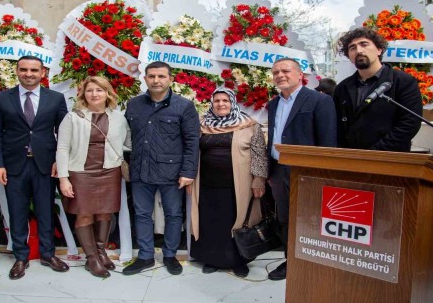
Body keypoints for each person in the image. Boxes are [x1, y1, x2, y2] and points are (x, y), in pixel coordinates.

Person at [0, 55, 69, 280]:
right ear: (17, 71)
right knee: (17, 211)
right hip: (14, 164)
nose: (29, 74)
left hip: (45, 164)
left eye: (34, 70)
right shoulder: (2, 98)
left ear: (43, 73)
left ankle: (47, 254)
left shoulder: (56, 98)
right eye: (24, 70)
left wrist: (59, 162)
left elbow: (64, 133)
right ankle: (21, 256)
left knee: (46, 210)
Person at [122, 61, 200, 276]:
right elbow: (126, 136)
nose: (156, 80)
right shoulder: (134, 104)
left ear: (170, 79)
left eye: (161, 76)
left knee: (174, 214)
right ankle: (145, 256)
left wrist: (188, 172)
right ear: (145, 78)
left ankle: (169, 255)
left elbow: (192, 141)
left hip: (172, 172)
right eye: (152, 76)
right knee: (142, 214)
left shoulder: (184, 106)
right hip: (140, 170)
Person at [267, 57, 337, 280]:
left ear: (300, 75)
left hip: (307, 174)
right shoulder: (274, 104)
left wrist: (322, 177)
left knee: (310, 220)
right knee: (285, 219)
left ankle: (313, 263)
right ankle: (291, 261)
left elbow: (327, 143)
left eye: (285, 71)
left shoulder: (318, 101)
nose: (280, 75)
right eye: (276, 72)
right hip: (279, 171)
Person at [56, 76, 131, 278]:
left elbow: (128, 142)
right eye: (89, 90)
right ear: (83, 94)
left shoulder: (119, 117)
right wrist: (63, 178)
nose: (94, 94)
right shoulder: (72, 118)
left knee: (105, 213)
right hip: (81, 172)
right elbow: (62, 148)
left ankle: (101, 251)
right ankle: (91, 258)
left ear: (108, 93)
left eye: (99, 90)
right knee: (85, 213)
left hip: (109, 171)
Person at [190, 87, 268, 278]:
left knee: (238, 222)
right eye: (217, 101)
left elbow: (259, 154)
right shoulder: (201, 124)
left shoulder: (249, 125)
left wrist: (259, 179)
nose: (221, 104)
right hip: (207, 184)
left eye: (225, 100)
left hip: (238, 185)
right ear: (211, 103)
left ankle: (239, 261)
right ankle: (212, 260)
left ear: (232, 103)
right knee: (210, 222)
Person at [333, 27, 422, 152]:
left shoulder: (403, 82)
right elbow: (338, 127)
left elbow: (409, 123)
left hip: (390, 160)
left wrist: (375, 152)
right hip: (352, 160)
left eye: (364, 44)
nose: (359, 50)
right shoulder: (342, 88)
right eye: (352, 48)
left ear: (379, 50)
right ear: (349, 56)